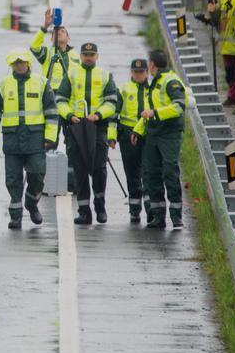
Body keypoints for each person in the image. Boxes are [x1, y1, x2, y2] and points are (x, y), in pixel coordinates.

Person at [0, 50, 60, 229]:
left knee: (37, 173)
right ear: (12, 65)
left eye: (22, 62)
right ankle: (16, 216)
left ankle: (32, 203)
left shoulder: (41, 83)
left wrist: (50, 136)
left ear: (28, 64)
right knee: (13, 179)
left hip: (35, 138)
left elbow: (51, 113)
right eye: (16, 63)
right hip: (12, 139)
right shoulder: (2, 84)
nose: (19, 66)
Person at [56, 42, 118, 225]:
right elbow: (60, 99)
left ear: (97, 56)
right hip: (76, 127)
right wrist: (69, 115)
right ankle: (84, 211)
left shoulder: (105, 75)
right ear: (81, 56)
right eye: (85, 54)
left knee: (99, 168)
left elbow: (112, 102)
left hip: (97, 127)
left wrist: (98, 114)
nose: (88, 57)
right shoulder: (71, 74)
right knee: (80, 170)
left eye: (92, 54)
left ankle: (100, 207)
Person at [132, 50, 189, 229]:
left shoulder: (170, 81)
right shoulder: (154, 83)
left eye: (148, 62)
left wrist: (155, 114)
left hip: (169, 134)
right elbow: (148, 110)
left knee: (170, 171)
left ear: (152, 65)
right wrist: (138, 130)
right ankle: (158, 216)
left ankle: (176, 216)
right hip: (153, 134)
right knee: (151, 174)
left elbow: (179, 106)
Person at [110, 58, 150, 223]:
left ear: (147, 72)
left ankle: (151, 210)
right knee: (132, 173)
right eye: (135, 72)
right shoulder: (124, 89)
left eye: (141, 72)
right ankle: (135, 210)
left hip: (148, 135)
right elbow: (114, 115)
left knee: (148, 173)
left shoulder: (154, 89)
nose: (138, 75)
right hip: (128, 135)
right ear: (131, 73)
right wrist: (111, 136)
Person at [29, 8, 79, 92]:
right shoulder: (46, 52)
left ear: (68, 38)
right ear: (52, 39)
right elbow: (34, 46)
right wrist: (45, 27)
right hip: (51, 92)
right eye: (55, 32)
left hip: (70, 92)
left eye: (62, 31)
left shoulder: (75, 54)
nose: (59, 32)